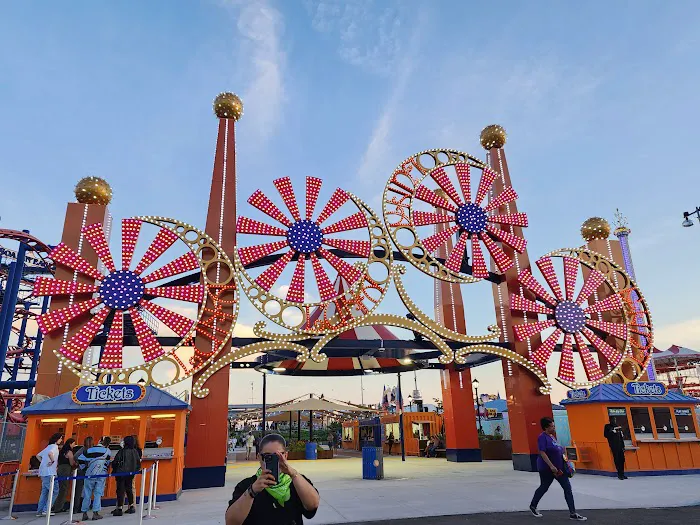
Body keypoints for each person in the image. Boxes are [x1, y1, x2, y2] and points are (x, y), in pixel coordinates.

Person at [225, 433, 320, 525]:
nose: (274, 460)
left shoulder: (297, 482)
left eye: (278, 455)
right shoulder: (246, 485)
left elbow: (313, 505)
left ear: (285, 456)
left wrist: (293, 474)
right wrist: (252, 492)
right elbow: (231, 522)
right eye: (267, 456)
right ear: (259, 457)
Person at [529, 417, 587, 521]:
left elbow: (557, 449)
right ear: (546, 427)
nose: (554, 428)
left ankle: (572, 513)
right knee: (544, 487)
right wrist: (551, 466)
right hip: (547, 469)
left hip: (559, 469)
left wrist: (564, 452)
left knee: (567, 488)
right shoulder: (542, 437)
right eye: (552, 426)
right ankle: (533, 505)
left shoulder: (552, 437)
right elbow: (542, 452)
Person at [78, 436, 111, 521]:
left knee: (87, 493)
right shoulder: (108, 451)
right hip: (101, 474)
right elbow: (107, 463)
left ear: (99, 441)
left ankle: (84, 513)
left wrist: (84, 468)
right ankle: (95, 513)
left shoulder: (89, 450)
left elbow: (80, 459)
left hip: (89, 474)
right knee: (97, 493)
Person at [111, 435, 141, 516]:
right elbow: (138, 463)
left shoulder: (122, 451)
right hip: (130, 474)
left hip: (121, 474)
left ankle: (120, 508)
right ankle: (131, 506)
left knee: (120, 491)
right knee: (129, 489)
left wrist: (114, 469)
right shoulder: (135, 451)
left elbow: (115, 461)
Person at [36, 432, 63, 517]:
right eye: (61, 438)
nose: (61, 440)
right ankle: (46, 510)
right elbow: (50, 454)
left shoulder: (48, 447)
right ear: (57, 439)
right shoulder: (55, 447)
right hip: (50, 473)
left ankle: (39, 511)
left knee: (44, 492)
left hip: (43, 473)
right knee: (55, 491)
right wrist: (52, 461)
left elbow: (37, 455)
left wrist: (43, 463)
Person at [52, 438, 77, 513]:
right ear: (70, 443)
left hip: (59, 469)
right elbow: (72, 463)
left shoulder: (61, 451)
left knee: (59, 488)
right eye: (73, 443)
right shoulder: (69, 452)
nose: (74, 445)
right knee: (63, 489)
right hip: (66, 470)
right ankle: (58, 507)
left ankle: (54, 505)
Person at [72, 437, 92, 514]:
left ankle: (76, 508)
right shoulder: (93, 450)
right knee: (87, 490)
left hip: (81, 470)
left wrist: (79, 463)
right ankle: (85, 506)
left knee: (78, 490)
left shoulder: (83, 449)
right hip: (89, 471)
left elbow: (75, 456)